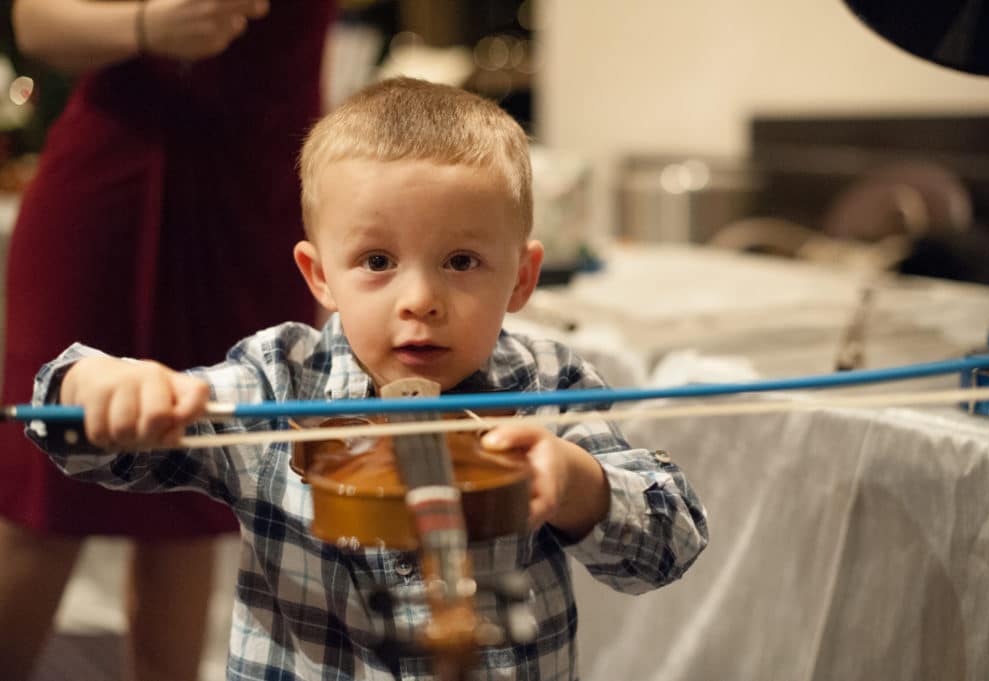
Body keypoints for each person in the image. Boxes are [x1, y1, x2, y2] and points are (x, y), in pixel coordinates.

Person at [24, 77, 709, 680]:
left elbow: (669, 541)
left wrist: (577, 481)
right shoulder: (278, 381)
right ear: (319, 275)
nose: (420, 299)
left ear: (522, 277)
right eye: (377, 259)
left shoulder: (548, 382)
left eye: (462, 261)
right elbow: (96, 447)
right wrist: (93, 388)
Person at [0, 1, 336, 679]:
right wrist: (147, 25)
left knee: (197, 499)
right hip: (117, 176)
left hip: (259, 193)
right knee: (47, 479)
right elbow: (35, 21)